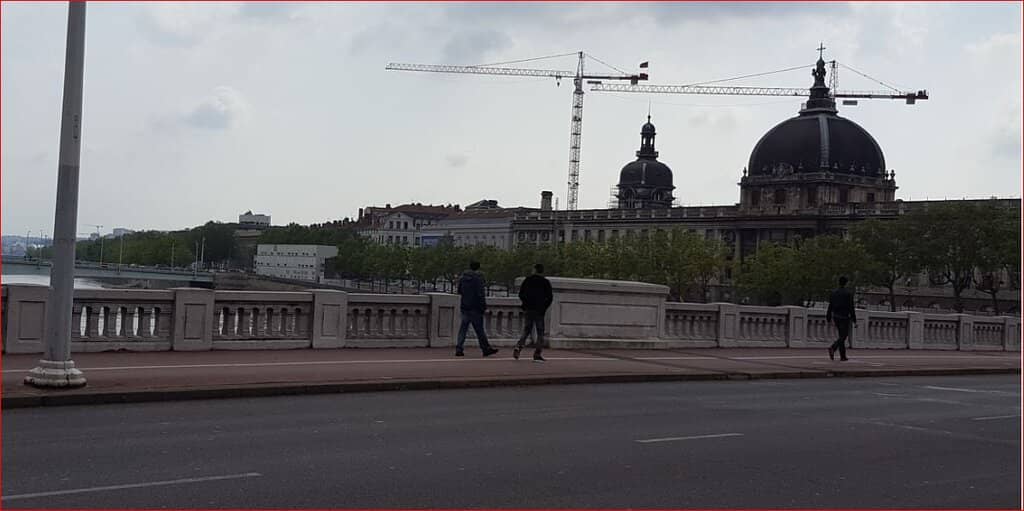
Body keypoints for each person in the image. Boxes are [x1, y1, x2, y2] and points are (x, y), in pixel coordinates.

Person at [455, 261, 499, 358]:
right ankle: (485, 348)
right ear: (478, 268)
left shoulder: (462, 278)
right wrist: (483, 307)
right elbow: (480, 295)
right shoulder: (478, 279)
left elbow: (459, 291)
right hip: (475, 308)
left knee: (463, 328)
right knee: (479, 330)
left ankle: (459, 348)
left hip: (465, 307)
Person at [514, 263, 554, 362]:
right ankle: (537, 354)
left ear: (534, 270)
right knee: (540, 332)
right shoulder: (545, 282)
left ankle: (519, 346)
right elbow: (550, 297)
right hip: (539, 310)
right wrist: (543, 307)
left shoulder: (528, 280)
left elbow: (521, 294)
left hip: (529, 309)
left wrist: (525, 304)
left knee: (527, 330)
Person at [826, 275, 857, 361]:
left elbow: (830, 305)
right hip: (844, 317)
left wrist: (828, 316)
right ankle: (833, 347)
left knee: (841, 335)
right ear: (846, 283)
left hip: (836, 316)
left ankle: (842, 356)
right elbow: (851, 307)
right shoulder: (848, 293)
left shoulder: (833, 292)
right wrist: (854, 319)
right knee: (844, 336)